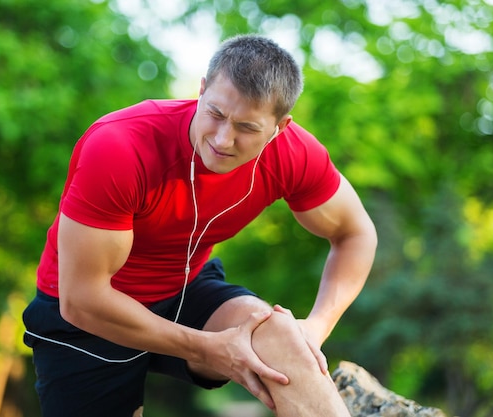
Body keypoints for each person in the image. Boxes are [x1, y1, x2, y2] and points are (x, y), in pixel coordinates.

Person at [23, 34, 377, 417]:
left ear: (280, 127)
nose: (224, 139)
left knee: (284, 340)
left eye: (247, 127)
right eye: (216, 114)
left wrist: (316, 329)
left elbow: (355, 233)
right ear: (202, 89)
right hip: (89, 315)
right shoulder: (120, 147)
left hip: (184, 288)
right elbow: (82, 300)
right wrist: (208, 348)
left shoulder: (293, 154)